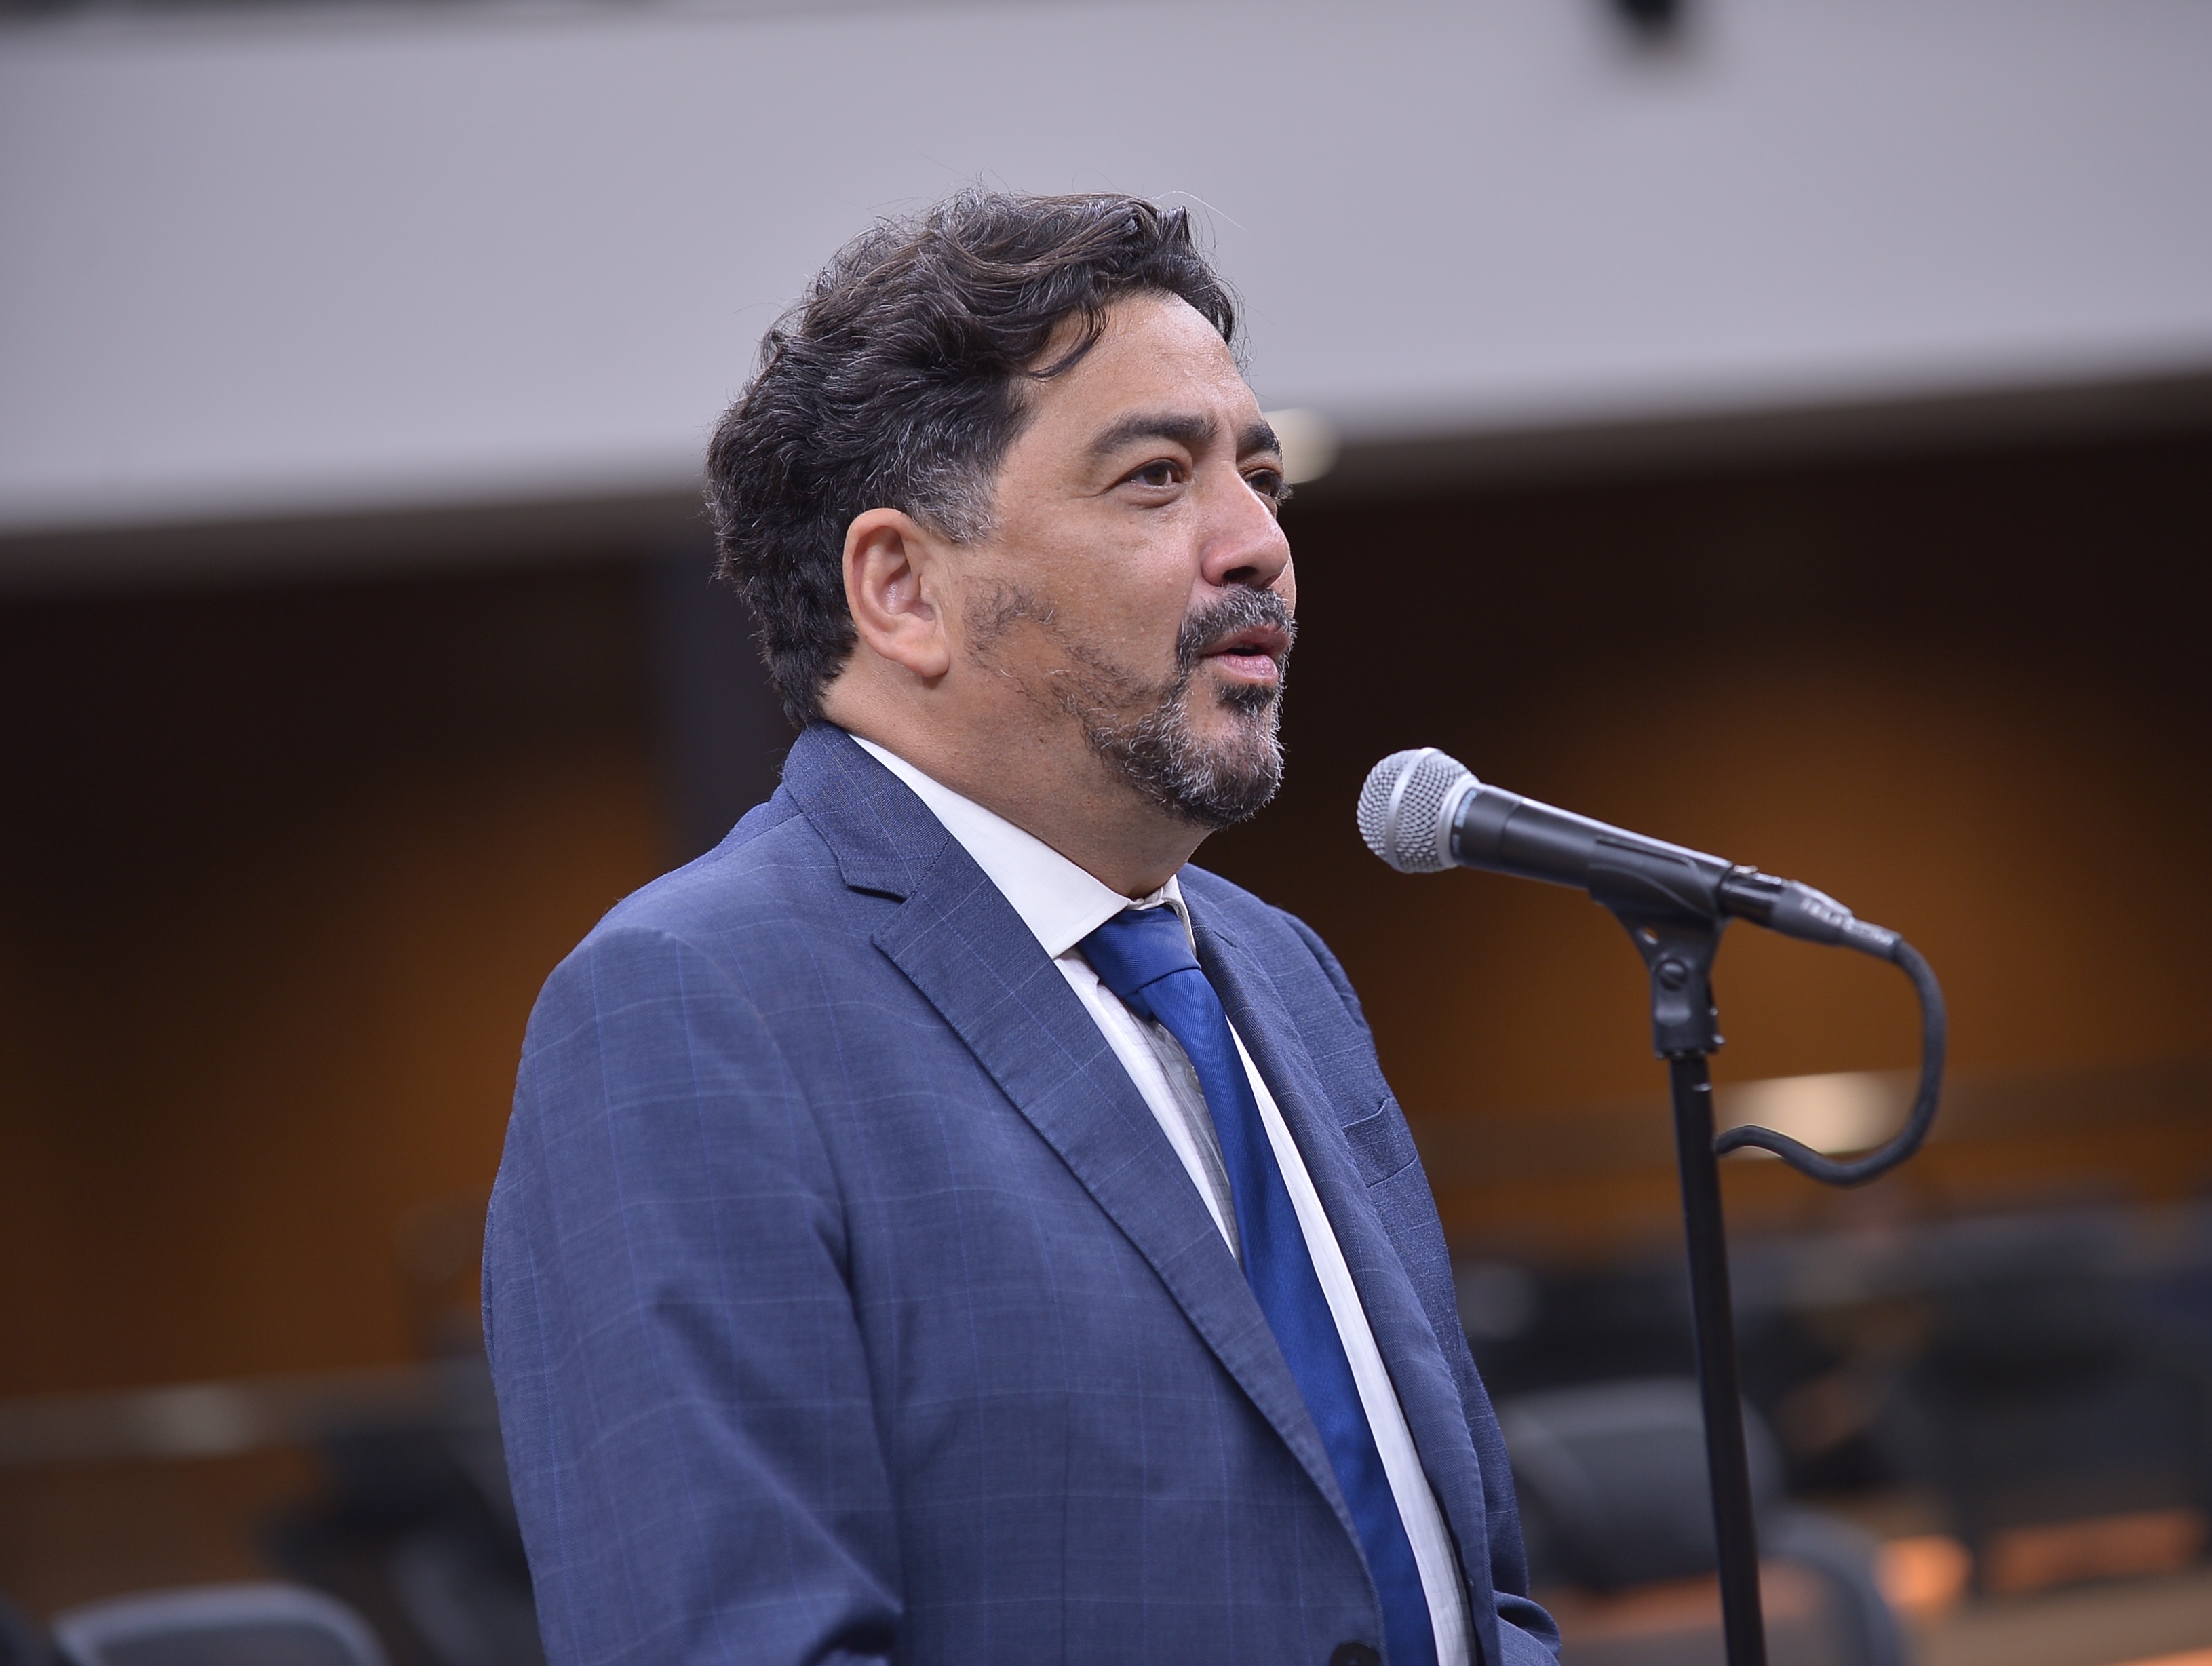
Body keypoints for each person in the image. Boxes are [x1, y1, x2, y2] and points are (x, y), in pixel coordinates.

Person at [484, 191, 1560, 1666]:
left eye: (1261, 477)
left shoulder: (1283, 971)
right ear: (902, 590)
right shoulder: (690, 1009)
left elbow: (1477, 1592)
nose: (1259, 543)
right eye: (1155, 479)